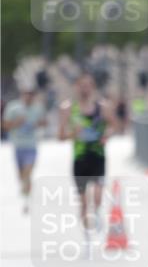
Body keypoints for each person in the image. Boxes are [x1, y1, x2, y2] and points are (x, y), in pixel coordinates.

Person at [58, 73, 116, 235]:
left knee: (97, 196)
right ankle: (87, 234)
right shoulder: (68, 108)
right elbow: (60, 136)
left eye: (88, 85)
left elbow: (113, 126)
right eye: (82, 85)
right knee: (84, 202)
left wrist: (107, 135)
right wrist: (73, 134)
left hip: (98, 156)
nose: (85, 89)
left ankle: (96, 214)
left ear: (93, 87)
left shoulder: (102, 107)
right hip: (80, 159)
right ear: (76, 87)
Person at [2, 86, 46, 212]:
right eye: (26, 94)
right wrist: (17, 122)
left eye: (31, 94)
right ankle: (26, 194)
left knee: (28, 172)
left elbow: (44, 122)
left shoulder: (38, 108)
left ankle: (27, 202)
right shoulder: (13, 107)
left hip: (31, 146)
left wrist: (38, 124)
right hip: (18, 146)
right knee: (22, 176)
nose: (28, 97)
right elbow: (5, 126)